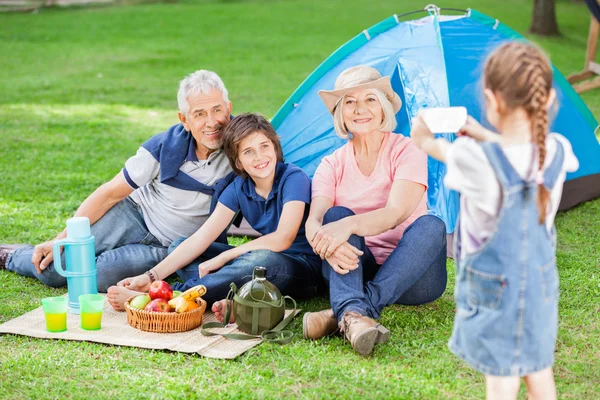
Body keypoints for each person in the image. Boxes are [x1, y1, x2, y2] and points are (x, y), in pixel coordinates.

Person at [410, 42, 578, 400]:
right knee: (538, 369)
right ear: (546, 99)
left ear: (491, 99)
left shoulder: (474, 158)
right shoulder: (558, 150)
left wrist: (422, 136)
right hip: (540, 292)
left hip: (494, 296)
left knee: (500, 382)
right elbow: (520, 156)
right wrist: (485, 135)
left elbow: (437, 148)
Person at [0, 70, 234, 292]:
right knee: (53, 269)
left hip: (168, 247)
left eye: (217, 110)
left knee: (99, 275)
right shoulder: (163, 147)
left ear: (229, 108)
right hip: (133, 215)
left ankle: (164, 268)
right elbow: (109, 193)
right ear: (184, 119)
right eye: (199, 114)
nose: (211, 122)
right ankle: (11, 257)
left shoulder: (242, 148)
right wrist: (62, 239)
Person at [106, 113, 322, 312]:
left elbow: (283, 239)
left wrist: (224, 257)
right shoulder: (239, 188)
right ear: (238, 161)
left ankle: (176, 297)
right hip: (259, 262)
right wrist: (150, 275)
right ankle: (235, 295)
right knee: (180, 245)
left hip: (302, 268)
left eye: (265, 146)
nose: (259, 157)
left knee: (260, 260)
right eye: (248, 151)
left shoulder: (293, 178)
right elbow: (201, 238)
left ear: (275, 148)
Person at [302, 65, 448, 356]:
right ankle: (355, 315)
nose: (360, 109)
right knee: (335, 215)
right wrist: (326, 237)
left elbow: (395, 212)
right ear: (340, 112)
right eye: (350, 102)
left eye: (370, 99)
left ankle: (345, 313)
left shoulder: (407, 150)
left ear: (383, 108)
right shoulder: (331, 164)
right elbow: (315, 221)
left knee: (432, 225)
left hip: (413, 275)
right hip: (354, 269)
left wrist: (348, 227)